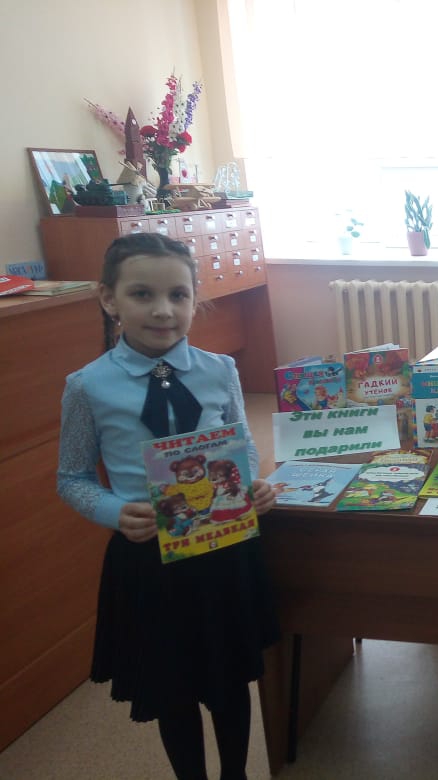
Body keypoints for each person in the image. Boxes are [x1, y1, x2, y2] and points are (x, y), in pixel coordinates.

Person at [57, 232, 280, 780]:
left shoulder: (219, 370)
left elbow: (241, 444)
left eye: (178, 295)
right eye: (142, 294)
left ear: (194, 299)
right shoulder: (87, 386)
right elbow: (72, 478)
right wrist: (113, 511)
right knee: (173, 690)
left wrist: (252, 484)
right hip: (150, 561)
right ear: (109, 299)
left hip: (223, 551)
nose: (163, 310)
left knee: (229, 679)